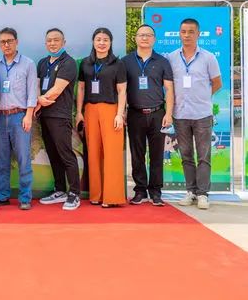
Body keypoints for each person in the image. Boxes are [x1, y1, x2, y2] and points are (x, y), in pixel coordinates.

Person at [168, 18, 222, 210]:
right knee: (186, 155)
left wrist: (203, 97)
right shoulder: (172, 58)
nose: (187, 35)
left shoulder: (208, 57)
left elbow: (217, 83)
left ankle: (203, 194)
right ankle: (190, 191)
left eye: (191, 32)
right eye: (183, 31)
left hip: (202, 115)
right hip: (180, 114)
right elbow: (169, 85)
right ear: (179, 34)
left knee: (204, 156)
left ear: (198, 34)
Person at [122, 24, 174, 206]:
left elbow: (169, 88)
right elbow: (121, 90)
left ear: (154, 39)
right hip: (135, 113)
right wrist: (122, 112)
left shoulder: (162, 61)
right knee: (137, 154)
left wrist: (169, 113)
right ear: (135, 38)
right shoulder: (126, 61)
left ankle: (156, 191)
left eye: (148, 35)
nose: (144, 38)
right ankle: (140, 191)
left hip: (157, 113)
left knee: (157, 155)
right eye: (141, 35)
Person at [76, 28, 127, 207]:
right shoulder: (85, 63)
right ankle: (96, 195)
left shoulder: (118, 64)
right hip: (90, 110)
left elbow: (122, 91)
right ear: (93, 41)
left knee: (112, 153)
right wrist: (79, 112)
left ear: (110, 42)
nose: (102, 43)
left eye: (105, 39)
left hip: (111, 109)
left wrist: (120, 114)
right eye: (98, 39)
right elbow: (81, 88)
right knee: (93, 153)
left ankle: (112, 197)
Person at [36, 28, 81, 211]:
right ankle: (60, 190)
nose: (52, 43)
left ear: (63, 42)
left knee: (65, 154)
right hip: (44, 116)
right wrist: (38, 99)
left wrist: (38, 100)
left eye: (56, 40)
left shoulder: (68, 63)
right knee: (53, 154)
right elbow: (36, 85)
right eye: (49, 40)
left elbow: (56, 90)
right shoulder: (42, 63)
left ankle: (74, 193)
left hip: (60, 115)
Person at [0, 27, 37, 211]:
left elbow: (32, 92)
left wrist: (29, 115)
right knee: (1, 159)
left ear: (16, 42)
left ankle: (25, 197)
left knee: (23, 158)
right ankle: (2, 195)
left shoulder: (28, 64)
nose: (7, 45)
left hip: (20, 116)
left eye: (10, 41)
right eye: (3, 42)